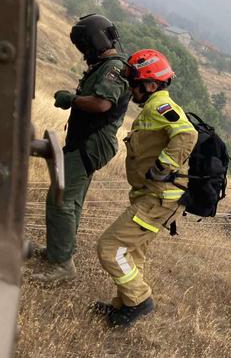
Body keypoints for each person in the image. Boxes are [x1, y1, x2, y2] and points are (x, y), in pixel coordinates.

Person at [93, 49, 197, 327]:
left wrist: (163, 166)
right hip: (151, 196)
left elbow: (187, 133)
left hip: (159, 197)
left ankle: (139, 300)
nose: (130, 89)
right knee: (132, 253)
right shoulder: (153, 108)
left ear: (150, 85)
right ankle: (124, 307)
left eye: (134, 83)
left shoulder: (161, 107)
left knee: (109, 247)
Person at [32, 14, 131, 283]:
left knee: (60, 199)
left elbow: (102, 104)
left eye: (83, 45)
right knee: (72, 199)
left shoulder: (113, 68)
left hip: (91, 142)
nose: (82, 52)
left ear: (92, 41)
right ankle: (59, 251)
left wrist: (71, 99)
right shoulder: (105, 65)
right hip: (87, 140)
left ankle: (62, 266)